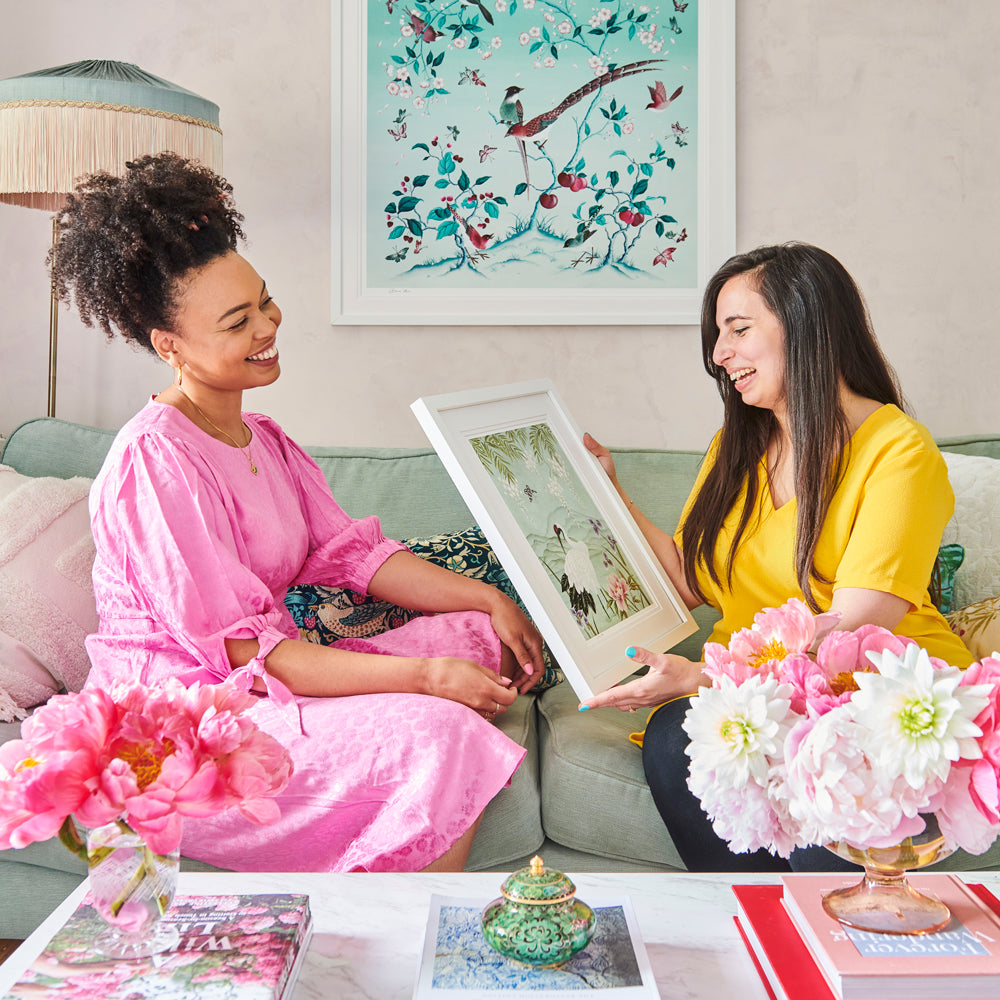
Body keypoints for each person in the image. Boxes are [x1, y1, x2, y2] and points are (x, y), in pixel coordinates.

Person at [50, 152, 545, 874]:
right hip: (182, 727)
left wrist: (489, 598)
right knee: (441, 731)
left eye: (265, 302)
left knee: (480, 639)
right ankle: (396, 946)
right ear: (170, 346)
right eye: (236, 321)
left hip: (266, 676)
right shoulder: (154, 461)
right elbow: (241, 651)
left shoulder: (267, 440)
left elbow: (355, 556)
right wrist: (426, 680)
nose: (268, 326)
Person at [580, 242, 972, 871]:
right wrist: (609, 492)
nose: (718, 354)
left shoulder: (899, 451)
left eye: (738, 329)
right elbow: (688, 580)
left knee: (826, 779)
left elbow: (851, 635)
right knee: (670, 740)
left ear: (810, 326)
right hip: (756, 697)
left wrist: (706, 679)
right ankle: (759, 937)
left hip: (871, 699)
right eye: (716, 335)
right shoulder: (736, 447)